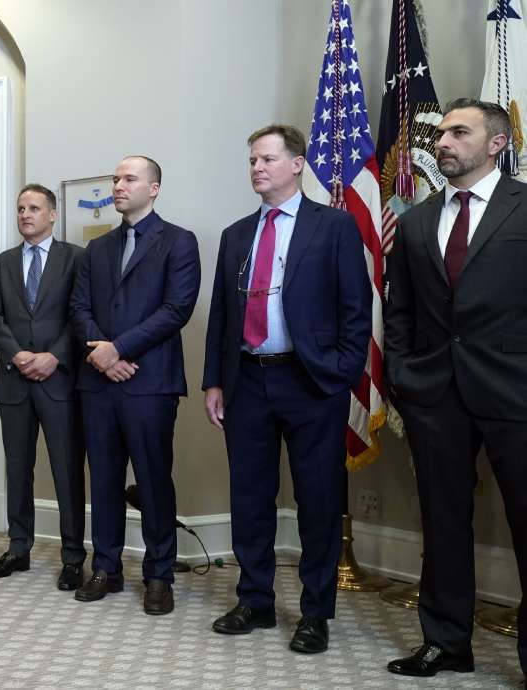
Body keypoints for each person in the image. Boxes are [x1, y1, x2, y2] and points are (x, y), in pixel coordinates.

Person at [201, 124, 370, 654]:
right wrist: (214, 380)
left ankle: (316, 612)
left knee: (317, 500)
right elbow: (221, 316)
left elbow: (355, 310)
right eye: (252, 160)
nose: (257, 168)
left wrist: (340, 375)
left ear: (297, 163)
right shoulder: (235, 234)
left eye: (268, 159)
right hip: (247, 379)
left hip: (311, 381)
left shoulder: (334, 228)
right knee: (250, 496)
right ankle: (255, 600)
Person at [384, 98, 526, 681]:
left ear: (496, 143)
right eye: (441, 132)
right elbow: (401, 310)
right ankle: (446, 642)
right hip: (434, 393)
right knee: (442, 522)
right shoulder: (417, 220)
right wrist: (402, 374)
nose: (442, 141)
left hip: (516, 393)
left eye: (459, 132)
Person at [68, 156, 200, 614]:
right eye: (116, 178)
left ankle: (159, 574)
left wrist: (117, 349)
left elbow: (176, 309)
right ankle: (106, 567)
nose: (118, 185)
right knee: (103, 479)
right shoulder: (97, 249)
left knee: (152, 481)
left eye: (129, 179)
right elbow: (79, 309)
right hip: (98, 384)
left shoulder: (179, 242)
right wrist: (102, 358)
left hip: (150, 383)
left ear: (155, 188)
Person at [0, 183, 87, 591]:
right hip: (14, 380)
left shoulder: (75, 259)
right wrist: (18, 356)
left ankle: (73, 556)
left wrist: (54, 357)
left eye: (34, 208)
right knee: (18, 470)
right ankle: (18, 548)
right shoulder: (1, 263)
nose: (26, 214)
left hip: (59, 381)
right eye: (21, 208)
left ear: (52, 214)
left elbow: (79, 315)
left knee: (66, 471)